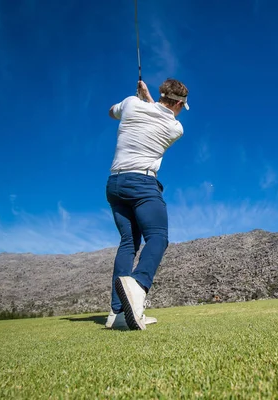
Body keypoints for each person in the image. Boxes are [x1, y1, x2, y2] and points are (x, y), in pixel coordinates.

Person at [104, 78, 189, 330]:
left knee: (129, 243)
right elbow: (162, 115)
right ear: (178, 104)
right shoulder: (175, 128)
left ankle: (117, 313)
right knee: (158, 237)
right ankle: (138, 287)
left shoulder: (130, 104)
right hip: (142, 183)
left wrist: (140, 99)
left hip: (114, 184)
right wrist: (148, 100)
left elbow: (111, 112)